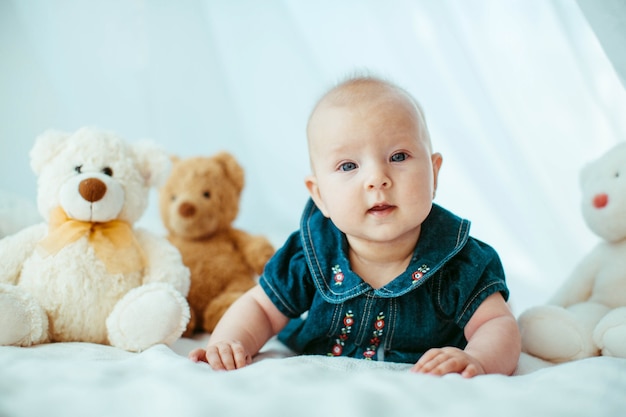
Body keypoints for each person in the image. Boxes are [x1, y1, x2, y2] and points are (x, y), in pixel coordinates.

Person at [189, 75, 521, 377]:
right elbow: (261, 307)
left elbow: (497, 323)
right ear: (320, 196)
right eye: (349, 165)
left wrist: (477, 359)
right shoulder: (312, 254)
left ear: (434, 173)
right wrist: (231, 342)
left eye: (399, 156)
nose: (377, 178)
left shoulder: (460, 262)